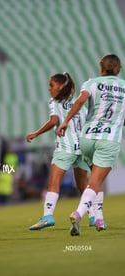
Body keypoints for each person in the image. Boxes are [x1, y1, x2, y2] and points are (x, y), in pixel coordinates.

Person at [57, 54, 125, 236]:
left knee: (96, 178)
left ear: (101, 68)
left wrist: (65, 122)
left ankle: (100, 218)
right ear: (118, 69)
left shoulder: (91, 83)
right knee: (95, 182)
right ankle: (78, 213)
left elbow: (80, 101)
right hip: (108, 139)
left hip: (87, 138)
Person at [26, 72, 97, 230]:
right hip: (82, 149)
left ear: (60, 86)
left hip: (65, 147)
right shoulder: (79, 104)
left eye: (52, 85)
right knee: (82, 185)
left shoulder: (55, 102)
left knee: (53, 183)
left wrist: (36, 133)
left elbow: (53, 121)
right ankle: (93, 217)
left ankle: (48, 216)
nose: (49, 89)